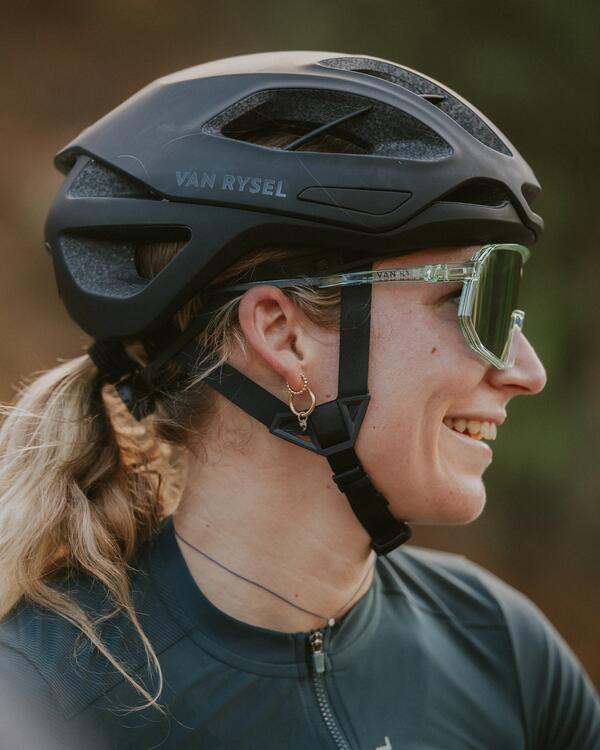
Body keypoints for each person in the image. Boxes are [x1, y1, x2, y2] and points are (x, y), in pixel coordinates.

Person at [0, 50, 598, 749]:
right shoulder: (41, 702)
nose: (526, 371)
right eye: (477, 301)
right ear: (283, 335)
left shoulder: (503, 653)